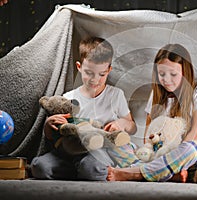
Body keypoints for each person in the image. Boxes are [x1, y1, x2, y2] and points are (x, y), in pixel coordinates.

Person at [31, 36, 137, 181]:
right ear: (79, 67)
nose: (95, 79)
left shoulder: (115, 95)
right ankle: (80, 171)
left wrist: (122, 124)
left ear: (109, 70)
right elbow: (53, 136)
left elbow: (132, 126)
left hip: (98, 150)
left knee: (91, 166)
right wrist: (49, 125)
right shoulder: (69, 97)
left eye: (102, 74)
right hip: (70, 151)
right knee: (39, 167)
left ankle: (85, 171)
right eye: (89, 73)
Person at [107, 43, 197, 182]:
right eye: (162, 74)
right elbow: (148, 136)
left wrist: (171, 155)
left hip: (186, 158)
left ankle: (134, 173)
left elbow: (196, 132)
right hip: (157, 155)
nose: (166, 80)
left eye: (173, 74)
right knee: (117, 143)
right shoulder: (155, 95)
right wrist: (151, 154)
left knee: (193, 147)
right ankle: (165, 173)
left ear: (185, 72)